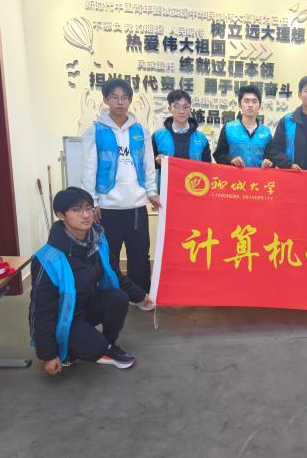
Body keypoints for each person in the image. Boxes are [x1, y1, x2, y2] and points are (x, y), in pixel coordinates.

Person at [29, 187, 153, 375]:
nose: (86, 215)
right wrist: (48, 354)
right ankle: (72, 348)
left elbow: (115, 275)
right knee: (95, 348)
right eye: (76, 210)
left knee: (118, 298)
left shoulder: (98, 241)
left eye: (88, 208)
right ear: (61, 215)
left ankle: (108, 344)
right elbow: (41, 310)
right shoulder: (48, 259)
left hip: (87, 307)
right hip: (64, 318)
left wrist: (140, 296)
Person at [81, 78, 159, 299]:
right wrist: (92, 202)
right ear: (106, 100)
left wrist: (151, 192)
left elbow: (148, 165)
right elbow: (88, 169)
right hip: (107, 207)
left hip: (136, 205)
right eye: (114, 97)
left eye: (124, 97)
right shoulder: (95, 131)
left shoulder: (140, 131)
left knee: (139, 254)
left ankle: (140, 295)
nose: (120, 102)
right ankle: (109, 297)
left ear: (130, 100)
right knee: (109, 255)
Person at [152, 89, 211, 189]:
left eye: (185, 107)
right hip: (166, 191)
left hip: (194, 190)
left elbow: (208, 168)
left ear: (190, 109)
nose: (182, 111)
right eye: (176, 106)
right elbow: (148, 164)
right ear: (170, 109)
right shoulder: (158, 136)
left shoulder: (201, 138)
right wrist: (156, 162)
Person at [213, 85, 274, 168]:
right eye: (246, 101)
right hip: (234, 176)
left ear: (259, 105)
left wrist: (270, 163)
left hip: (258, 176)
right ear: (239, 104)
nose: (250, 105)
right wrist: (231, 160)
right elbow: (218, 155)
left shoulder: (266, 132)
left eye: (254, 101)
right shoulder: (228, 128)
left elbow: (272, 158)